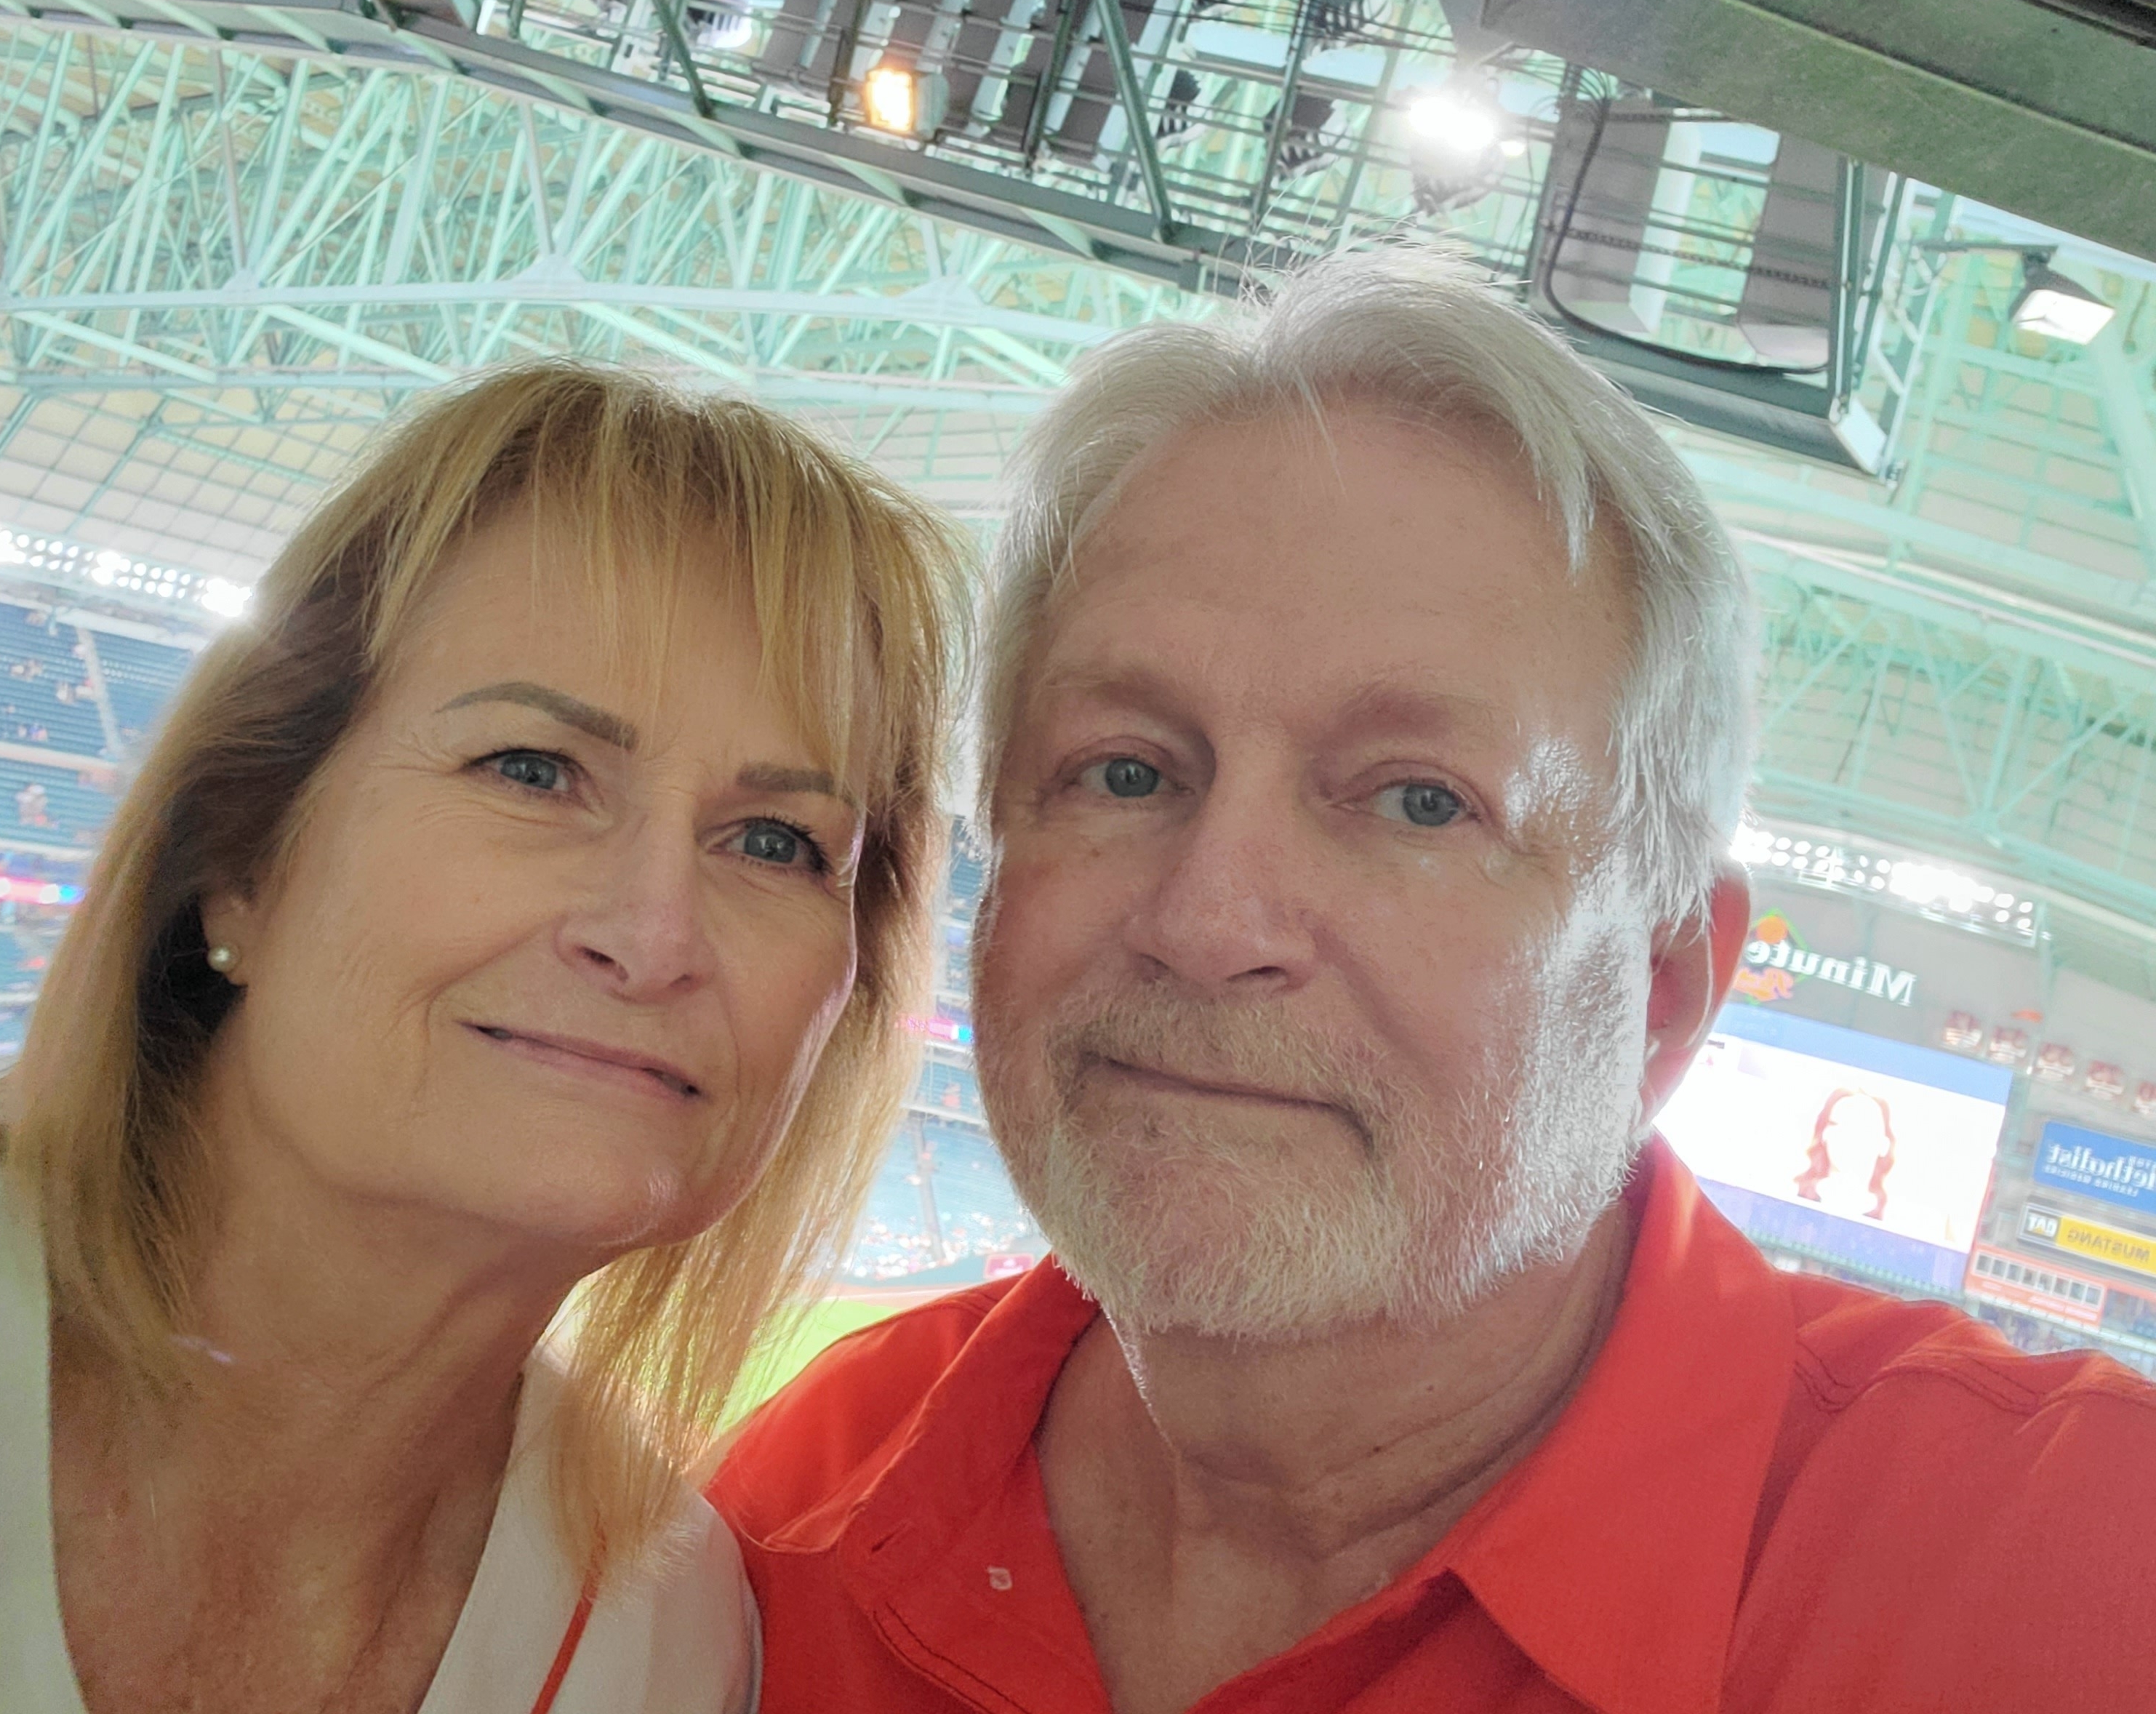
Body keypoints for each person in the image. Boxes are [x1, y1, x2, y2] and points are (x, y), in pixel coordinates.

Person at [713, 248, 2156, 1712]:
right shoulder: (783, 1526)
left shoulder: (2076, 1573)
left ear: (1660, 992)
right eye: (1124, 770)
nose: (1208, 921)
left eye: (1418, 802)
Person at [0, 361, 966, 1713]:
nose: (652, 934)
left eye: (775, 842)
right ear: (242, 856)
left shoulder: (677, 1640)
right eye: (532, 768)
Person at [1795, 1084, 1897, 1220]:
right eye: (1839, 1123)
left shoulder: (1893, 1220)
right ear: (1826, 1134)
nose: (1849, 1136)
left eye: (1863, 1127)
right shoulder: (1792, 1196)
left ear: (1883, 1145)